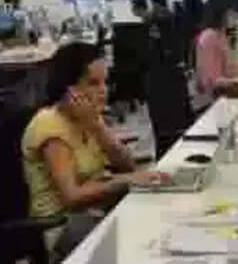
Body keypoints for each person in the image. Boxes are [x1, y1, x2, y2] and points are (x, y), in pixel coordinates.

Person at [22, 43, 167, 256]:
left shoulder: (88, 117)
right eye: (93, 83)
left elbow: (127, 165)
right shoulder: (50, 125)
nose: (103, 91)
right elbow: (72, 197)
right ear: (69, 90)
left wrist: (97, 128)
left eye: (105, 82)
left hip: (94, 215)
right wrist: (124, 181)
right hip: (64, 228)